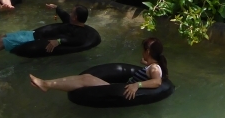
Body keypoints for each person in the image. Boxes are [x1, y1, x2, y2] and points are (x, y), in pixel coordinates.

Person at [29, 37, 168, 100]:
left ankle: (46, 84)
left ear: (148, 52)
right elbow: (151, 70)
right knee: (86, 78)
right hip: (120, 86)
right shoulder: (153, 65)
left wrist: (137, 85)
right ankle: (47, 83)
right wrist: (145, 63)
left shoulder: (155, 68)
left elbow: (157, 82)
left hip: (120, 90)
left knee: (86, 79)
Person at [0, 3, 90, 55]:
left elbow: (77, 41)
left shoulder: (80, 32)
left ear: (76, 17)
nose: (70, 14)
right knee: (2, 37)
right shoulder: (71, 21)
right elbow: (63, 14)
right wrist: (55, 7)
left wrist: (59, 41)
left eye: (73, 13)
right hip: (32, 33)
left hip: (35, 40)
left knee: (1, 43)